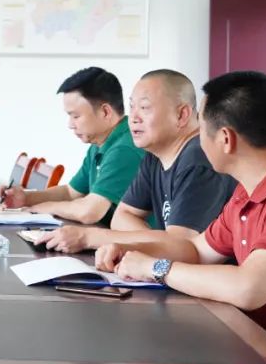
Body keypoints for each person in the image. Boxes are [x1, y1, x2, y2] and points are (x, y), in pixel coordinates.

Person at [97, 71, 266, 337]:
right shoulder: (247, 191)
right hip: (262, 341)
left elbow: (249, 288)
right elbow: (196, 250)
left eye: (201, 129)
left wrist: (154, 268)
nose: (197, 139)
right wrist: (130, 250)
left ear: (226, 139)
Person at [40, 70, 235, 253]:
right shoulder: (155, 155)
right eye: (132, 107)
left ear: (182, 114)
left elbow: (181, 246)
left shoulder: (199, 159)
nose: (133, 118)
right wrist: (159, 240)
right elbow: (121, 217)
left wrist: (90, 237)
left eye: (144, 108)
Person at [0, 67, 143, 225]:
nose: (70, 125)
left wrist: (46, 207)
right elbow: (71, 193)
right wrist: (25, 198)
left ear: (105, 112)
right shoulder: (100, 144)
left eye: (76, 116)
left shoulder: (124, 149)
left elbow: (89, 211)